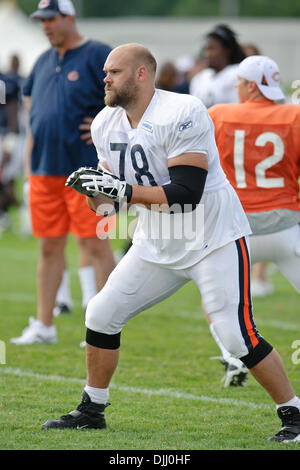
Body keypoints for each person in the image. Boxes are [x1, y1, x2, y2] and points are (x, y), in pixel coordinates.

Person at [40, 43, 300, 442]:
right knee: (101, 314)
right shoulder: (105, 123)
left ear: (142, 74)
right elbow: (109, 207)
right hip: (156, 241)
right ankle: (92, 408)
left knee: (235, 334)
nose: (104, 78)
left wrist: (121, 190)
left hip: (211, 238)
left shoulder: (183, 110)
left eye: (114, 71)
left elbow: (186, 191)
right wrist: (95, 192)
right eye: (105, 72)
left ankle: (293, 414)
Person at [10, 0, 116, 345]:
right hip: (44, 172)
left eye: (51, 19)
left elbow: (128, 97)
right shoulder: (41, 61)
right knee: (49, 248)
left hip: (86, 171)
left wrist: (106, 122)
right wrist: (28, 174)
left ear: (68, 17)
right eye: (41, 20)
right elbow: (34, 124)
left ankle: (105, 326)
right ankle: (44, 324)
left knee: (96, 246)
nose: (45, 26)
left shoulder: (98, 53)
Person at [207, 55, 300, 392]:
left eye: (239, 82)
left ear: (249, 85)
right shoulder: (295, 116)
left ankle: (232, 355)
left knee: (215, 301)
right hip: (285, 229)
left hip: (236, 231)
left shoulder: (218, 115)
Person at [189, 24, 245, 107]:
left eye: (212, 48)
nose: (207, 54)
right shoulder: (199, 78)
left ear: (227, 50)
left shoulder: (238, 74)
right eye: (206, 49)